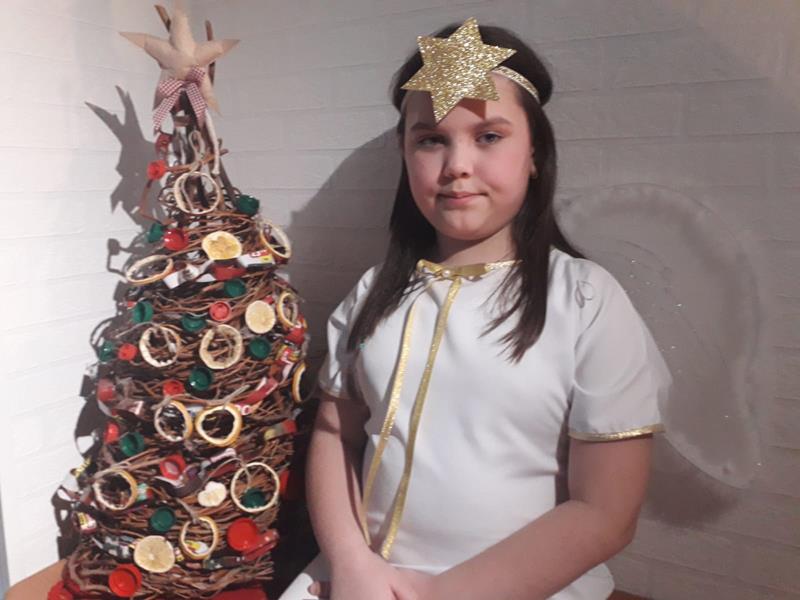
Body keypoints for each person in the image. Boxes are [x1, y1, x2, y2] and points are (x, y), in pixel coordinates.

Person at [279, 18, 671, 600]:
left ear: (534, 153)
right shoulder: (373, 294)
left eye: (488, 136)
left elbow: (604, 511)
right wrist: (352, 564)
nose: (457, 164)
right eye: (430, 139)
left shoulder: (586, 301)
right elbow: (337, 435)